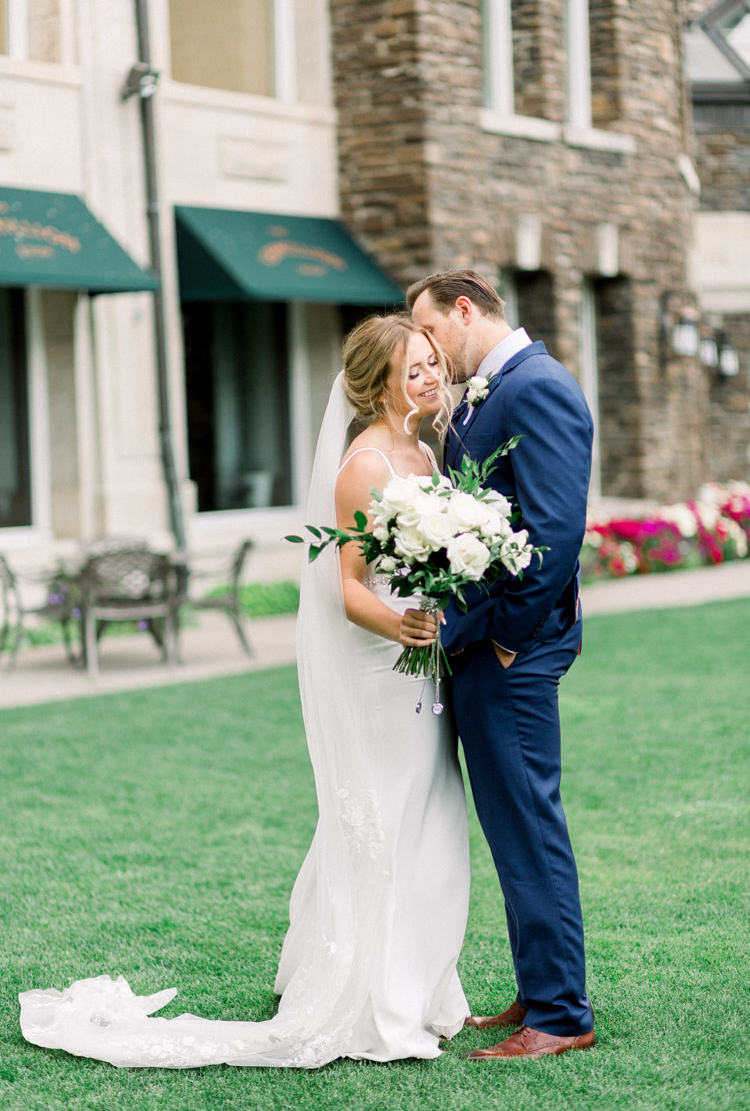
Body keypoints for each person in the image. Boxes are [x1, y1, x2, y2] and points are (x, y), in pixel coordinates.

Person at [18, 314, 470, 1069]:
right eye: (414, 368)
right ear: (377, 382)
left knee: (428, 821)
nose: (431, 376)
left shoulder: (423, 452)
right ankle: (373, 998)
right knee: (380, 823)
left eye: (432, 363)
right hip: (381, 670)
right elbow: (345, 590)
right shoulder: (363, 467)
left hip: (422, 678)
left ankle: (419, 984)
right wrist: (403, 626)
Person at [408, 269, 596, 1059]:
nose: (425, 348)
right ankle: (539, 987)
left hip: (510, 648)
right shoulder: (490, 391)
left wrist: (510, 634)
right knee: (511, 824)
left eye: (428, 331)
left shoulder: (538, 386)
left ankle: (561, 1013)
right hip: (481, 641)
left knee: (528, 823)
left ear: (464, 310)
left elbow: (553, 534)